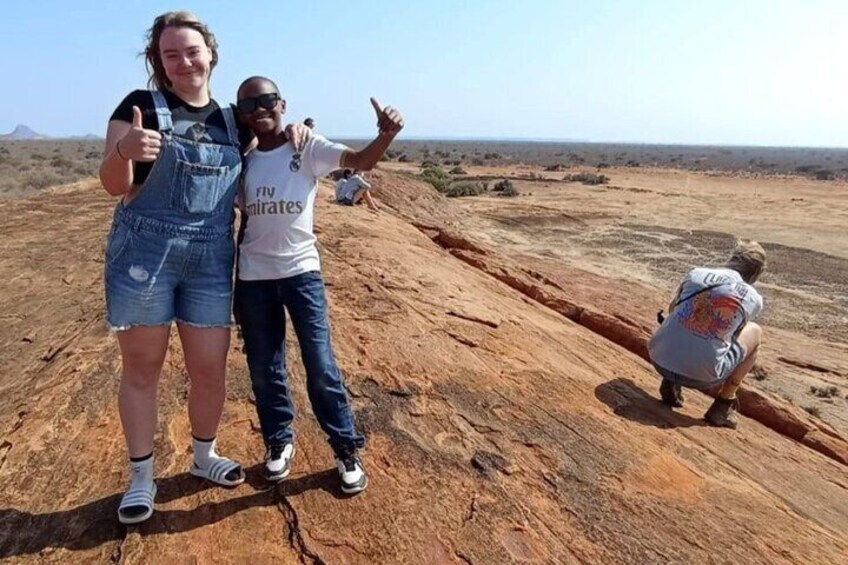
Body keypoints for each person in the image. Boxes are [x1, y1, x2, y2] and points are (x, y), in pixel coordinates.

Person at [97, 12, 309, 525]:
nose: (184, 62)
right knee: (143, 369)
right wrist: (125, 151)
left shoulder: (233, 121)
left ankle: (203, 455)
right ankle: (141, 476)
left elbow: (271, 147)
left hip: (210, 258)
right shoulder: (139, 106)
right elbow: (113, 184)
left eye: (192, 51)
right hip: (145, 255)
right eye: (171, 54)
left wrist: (297, 130)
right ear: (159, 61)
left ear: (210, 53)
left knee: (210, 368)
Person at [233, 75, 403, 494]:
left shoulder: (306, 147)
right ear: (242, 115)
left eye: (267, 100)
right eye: (249, 105)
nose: (260, 109)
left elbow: (360, 161)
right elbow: (243, 220)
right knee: (265, 368)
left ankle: (345, 448)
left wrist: (386, 135)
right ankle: (279, 441)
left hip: (300, 273)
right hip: (254, 277)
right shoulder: (242, 162)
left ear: (283, 103)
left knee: (321, 364)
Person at [648, 241, 766, 428]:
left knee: (684, 318)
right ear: (757, 272)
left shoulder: (696, 273)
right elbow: (733, 333)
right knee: (755, 332)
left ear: (732, 258)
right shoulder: (754, 298)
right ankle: (723, 405)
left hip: (659, 359)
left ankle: (670, 381)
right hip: (704, 377)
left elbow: (672, 309)